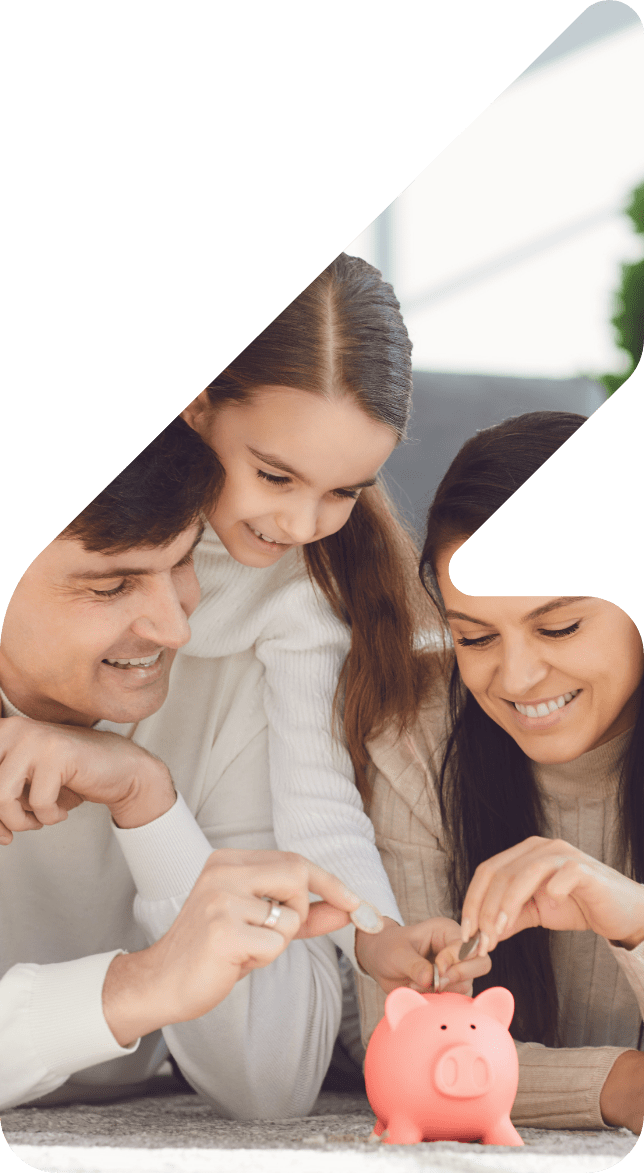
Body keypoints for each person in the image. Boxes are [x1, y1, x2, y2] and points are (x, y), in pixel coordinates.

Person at [0, 419, 368, 1113]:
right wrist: (135, 988)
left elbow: (272, 1079)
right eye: (111, 586)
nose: (175, 628)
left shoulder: (232, 675)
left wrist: (148, 798)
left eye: (180, 562)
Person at [173, 250, 461, 989]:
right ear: (196, 401)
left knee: (274, 1082)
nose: (302, 523)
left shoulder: (303, 591)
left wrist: (378, 936)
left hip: (189, 849)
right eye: (275, 475)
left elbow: (317, 796)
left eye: (343, 491)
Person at [357, 411, 644, 1136]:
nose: (516, 677)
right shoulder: (418, 736)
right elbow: (401, 1051)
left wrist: (633, 920)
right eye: (474, 636)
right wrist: (621, 1085)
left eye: (559, 627)